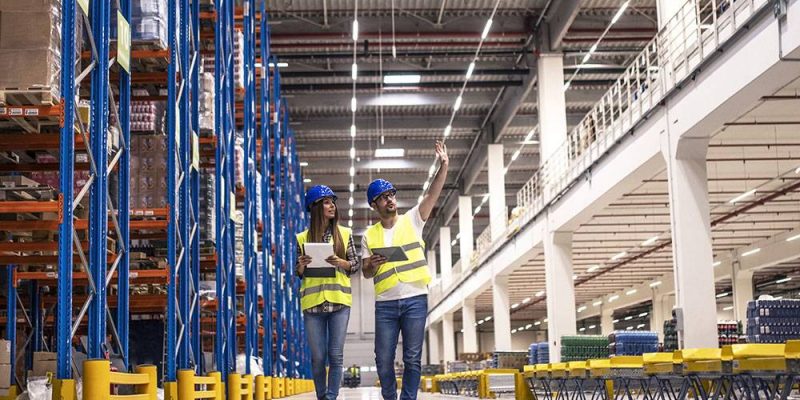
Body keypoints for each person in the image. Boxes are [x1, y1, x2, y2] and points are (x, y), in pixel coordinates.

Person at [361, 141, 449, 400]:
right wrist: (370, 265)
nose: (390, 199)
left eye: (392, 194)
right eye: (384, 197)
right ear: (374, 204)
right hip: (386, 303)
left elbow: (433, 194)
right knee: (383, 360)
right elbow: (366, 272)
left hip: (415, 299)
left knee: (412, 358)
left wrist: (443, 166)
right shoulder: (369, 235)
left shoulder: (413, 219)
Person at [296, 185, 359, 400]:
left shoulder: (344, 234)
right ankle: (321, 396)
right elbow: (298, 273)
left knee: (336, 355)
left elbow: (356, 265)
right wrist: (302, 265)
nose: (332, 205)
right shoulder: (302, 238)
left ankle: (331, 398)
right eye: (326, 202)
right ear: (314, 207)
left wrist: (341, 262)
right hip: (313, 304)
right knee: (318, 357)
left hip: (339, 303)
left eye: (333, 202)